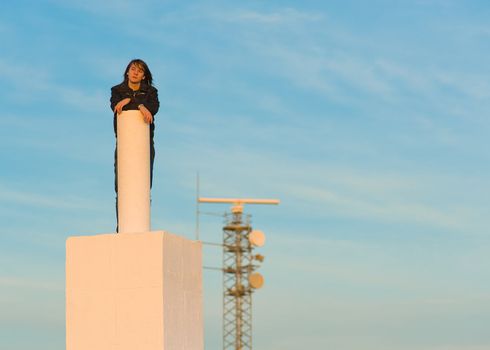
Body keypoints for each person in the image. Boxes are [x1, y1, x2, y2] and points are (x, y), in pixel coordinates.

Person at [110, 59, 160, 231]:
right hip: (124, 143)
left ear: (144, 75)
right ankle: (121, 227)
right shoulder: (117, 90)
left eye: (139, 71)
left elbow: (154, 107)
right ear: (127, 72)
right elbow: (115, 106)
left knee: (144, 183)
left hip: (145, 143)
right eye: (133, 69)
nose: (135, 73)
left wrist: (138, 104)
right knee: (121, 186)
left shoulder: (151, 92)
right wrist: (138, 106)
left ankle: (141, 225)